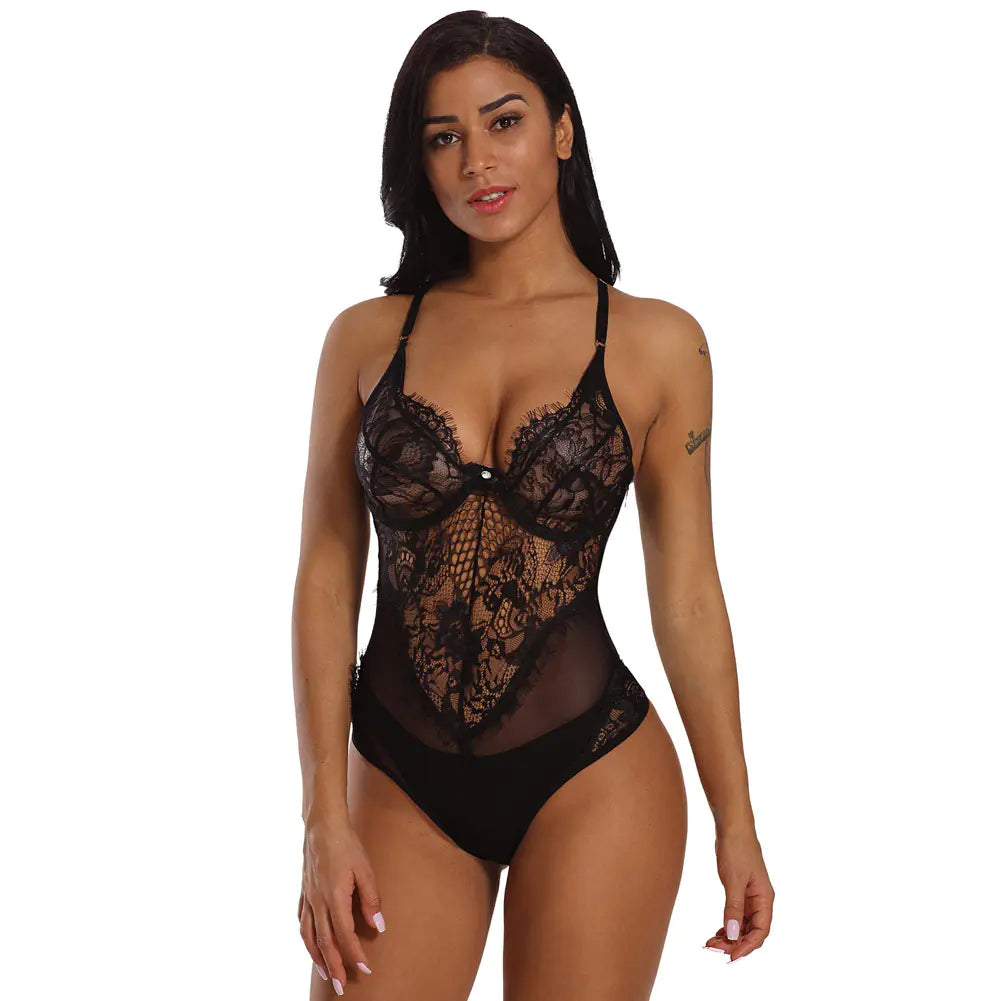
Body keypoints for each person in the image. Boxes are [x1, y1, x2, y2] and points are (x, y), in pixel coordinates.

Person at [292, 12, 773, 999]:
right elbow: (325, 574)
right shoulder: (366, 338)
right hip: (396, 774)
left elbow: (686, 591)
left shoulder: (657, 344)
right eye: (443, 136)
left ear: (560, 129)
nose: (475, 160)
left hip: (594, 767)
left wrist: (737, 819)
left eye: (502, 122)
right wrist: (321, 816)